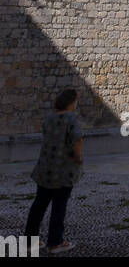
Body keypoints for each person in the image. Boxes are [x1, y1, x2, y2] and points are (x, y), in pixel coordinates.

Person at [25, 87, 83, 254]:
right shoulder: (71, 118)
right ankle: (55, 242)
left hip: (45, 168)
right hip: (63, 170)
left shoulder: (49, 118)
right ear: (72, 102)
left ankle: (29, 241)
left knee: (39, 204)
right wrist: (78, 158)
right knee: (59, 206)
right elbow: (77, 138)